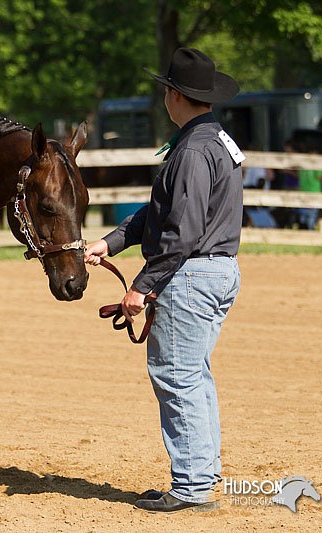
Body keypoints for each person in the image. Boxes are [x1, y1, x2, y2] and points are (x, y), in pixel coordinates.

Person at [85, 48, 243, 513]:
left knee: (177, 378)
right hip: (218, 270)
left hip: (189, 273)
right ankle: (200, 475)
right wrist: (112, 243)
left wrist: (142, 286)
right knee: (194, 376)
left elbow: (181, 230)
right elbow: (163, 212)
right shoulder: (216, 141)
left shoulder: (192, 150)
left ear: (175, 95)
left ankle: (192, 489)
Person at [295, 152, 322, 230]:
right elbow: (320, 177)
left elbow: (299, 177)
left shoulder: (302, 167)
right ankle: (310, 230)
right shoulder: (316, 167)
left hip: (303, 192)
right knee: (312, 215)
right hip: (314, 192)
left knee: (303, 214)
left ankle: (302, 229)